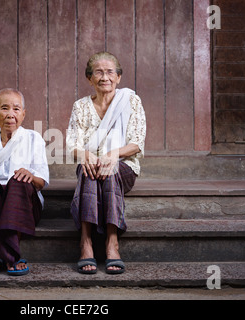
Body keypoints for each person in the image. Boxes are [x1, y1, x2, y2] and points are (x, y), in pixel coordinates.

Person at [66, 52, 146, 274]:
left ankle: (112, 241)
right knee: (88, 170)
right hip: (90, 167)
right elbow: (72, 145)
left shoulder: (130, 101)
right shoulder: (81, 106)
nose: (104, 77)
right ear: (90, 78)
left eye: (110, 72)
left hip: (123, 167)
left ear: (118, 77)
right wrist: (84, 155)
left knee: (109, 169)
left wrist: (112, 154)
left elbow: (137, 143)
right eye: (98, 72)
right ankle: (86, 242)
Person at [0, 88, 49, 276]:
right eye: (5, 108)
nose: (10, 115)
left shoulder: (33, 138)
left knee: (18, 182)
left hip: (25, 205)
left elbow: (42, 182)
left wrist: (29, 175)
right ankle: (12, 256)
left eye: (16, 109)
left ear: (23, 114)